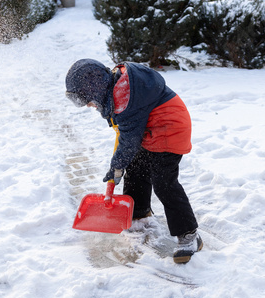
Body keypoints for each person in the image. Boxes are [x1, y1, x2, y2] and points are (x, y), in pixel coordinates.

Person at [65, 59, 202, 264]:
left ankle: (189, 235)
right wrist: (118, 164)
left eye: (88, 100)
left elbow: (129, 140)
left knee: (164, 182)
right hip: (151, 130)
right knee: (136, 167)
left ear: (95, 88)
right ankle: (138, 215)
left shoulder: (124, 99)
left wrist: (117, 165)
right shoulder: (118, 90)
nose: (89, 105)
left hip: (169, 130)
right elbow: (124, 134)